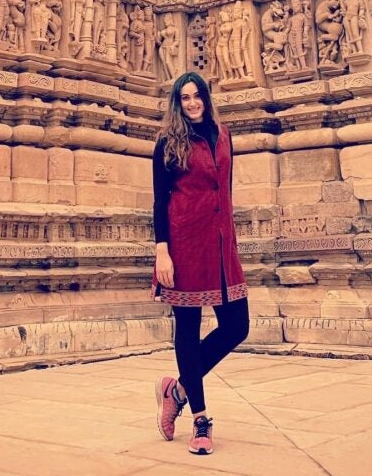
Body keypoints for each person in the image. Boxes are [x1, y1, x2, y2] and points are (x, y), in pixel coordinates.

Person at [152, 71, 249, 455]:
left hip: (221, 243)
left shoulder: (225, 135)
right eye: (185, 98)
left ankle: (176, 390)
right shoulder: (167, 142)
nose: (192, 103)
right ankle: (200, 419)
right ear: (177, 103)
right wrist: (162, 251)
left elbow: (224, 190)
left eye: (197, 96)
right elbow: (160, 200)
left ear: (206, 98)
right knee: (188, 329)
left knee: (237, 326)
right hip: (184, 244)